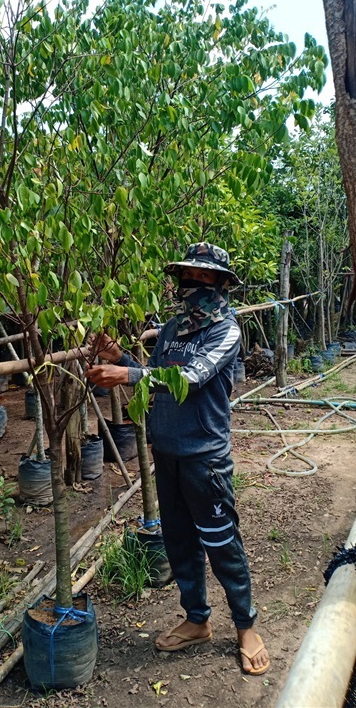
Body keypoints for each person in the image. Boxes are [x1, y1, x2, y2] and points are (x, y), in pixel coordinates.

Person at [87, 242, 270, 676]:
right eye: (189, 276)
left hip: (204, 458)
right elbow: (155, 383)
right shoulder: (170, 331)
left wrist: (126, 374)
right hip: (165, 454)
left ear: (222, 284)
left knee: (222, 542)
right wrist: (123, 360)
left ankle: (246, 626)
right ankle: (197, 619)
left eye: (205, 277)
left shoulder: (226, 330)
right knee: (179, 542)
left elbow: (190, 377)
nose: (195, 284)